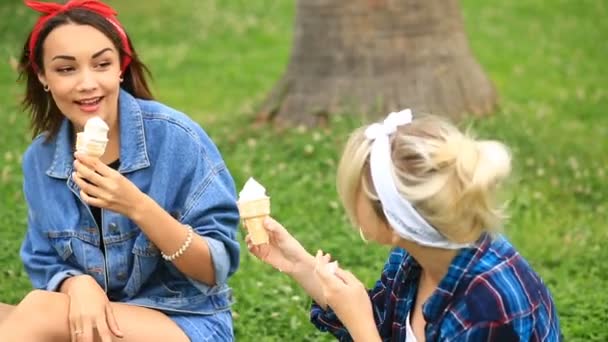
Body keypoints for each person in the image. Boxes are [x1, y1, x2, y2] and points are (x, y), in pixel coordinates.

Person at [0, 0, 239, 341]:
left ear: (120, 68)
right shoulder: (40, 159)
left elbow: (215, 269)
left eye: (101, 64)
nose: (87, 83)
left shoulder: (176, 139)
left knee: (39, 311)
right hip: (95, 317)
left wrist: (137, 206)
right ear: (43, 76)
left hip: (183, 320)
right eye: (66, 69)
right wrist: (75, 283)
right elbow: (43, 259)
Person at [248, 109, 562, 341]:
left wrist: (361, 328)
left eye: (357, 191)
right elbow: (384, 323)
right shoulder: (415, 256)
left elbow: (369, 329)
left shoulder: (488, 308)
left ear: (395, 219)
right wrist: (300, 265)